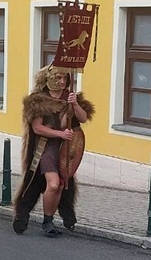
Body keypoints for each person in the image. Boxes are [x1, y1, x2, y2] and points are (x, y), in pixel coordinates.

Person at [14, 65, 94, 237]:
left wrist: (74, 104)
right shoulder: (39, 100)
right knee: (53, 183)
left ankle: (48, 220)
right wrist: (60, 133)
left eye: (64, 78)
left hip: (66, 148)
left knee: (62, 186)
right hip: (46, 147)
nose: (62, 81)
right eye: (58, 78)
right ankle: (26, 216)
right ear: (49, 78)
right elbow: (37, 128)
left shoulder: (70, 98)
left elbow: (83, 118)